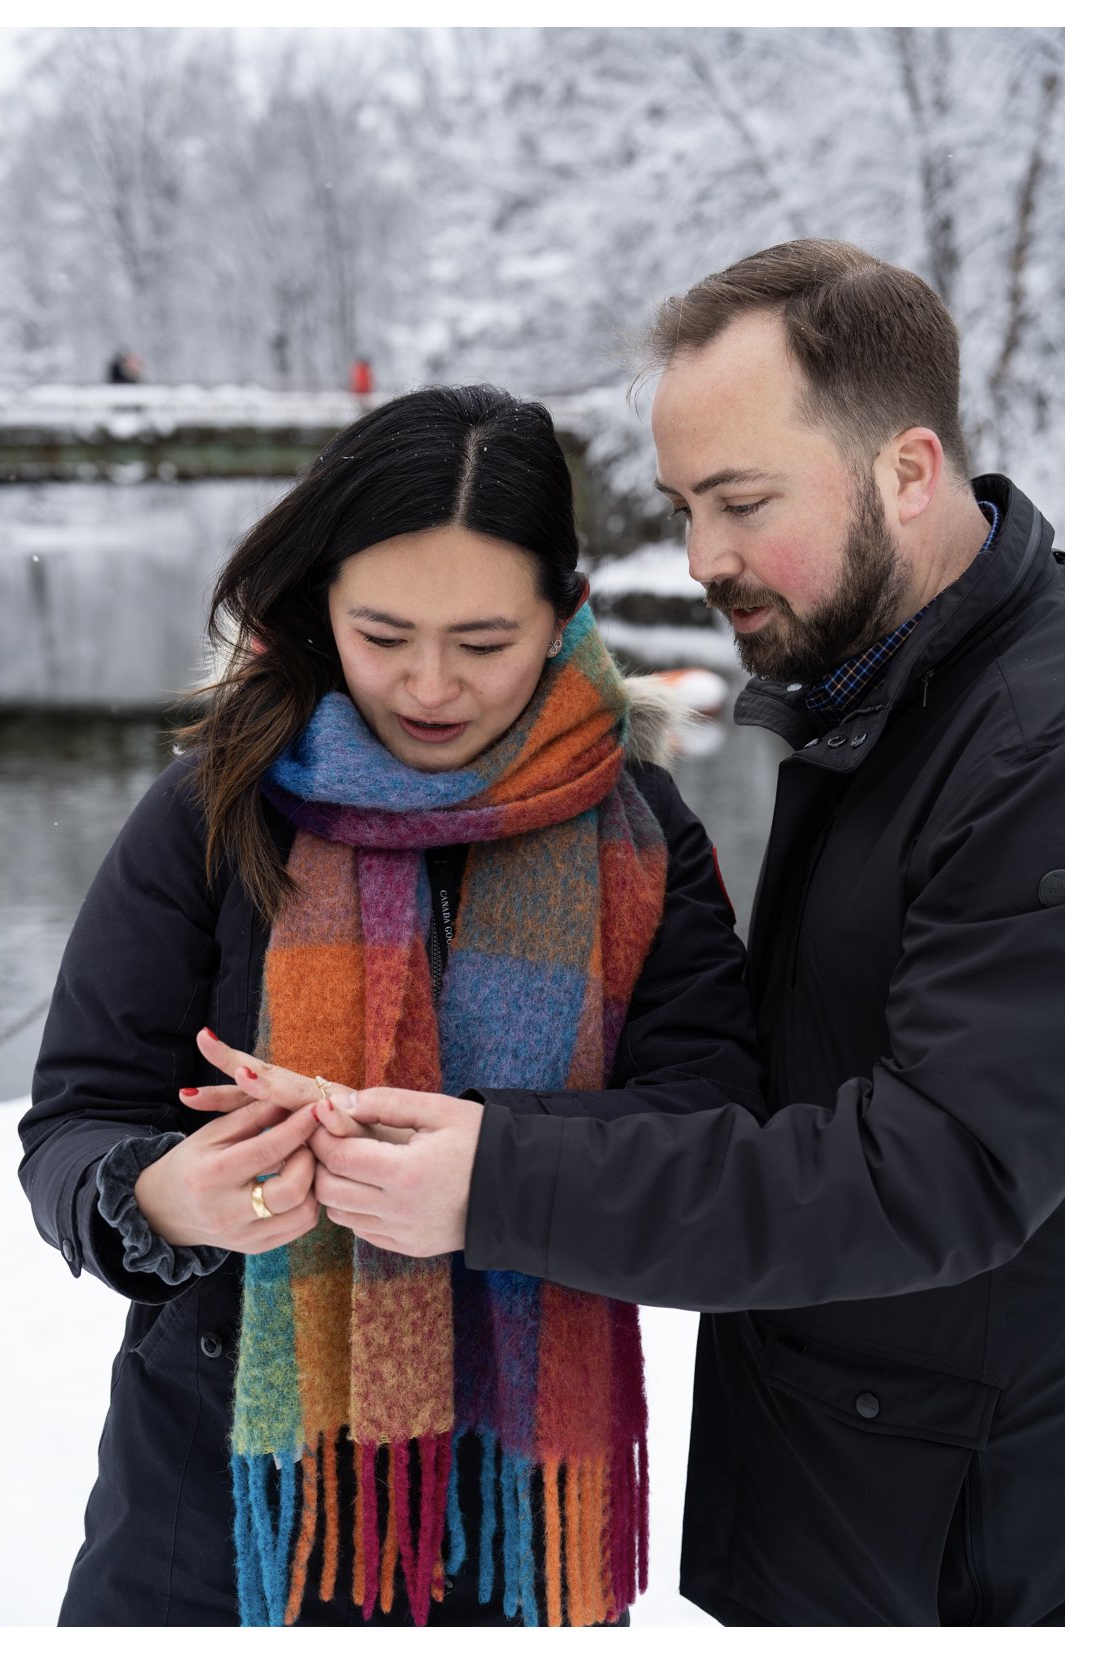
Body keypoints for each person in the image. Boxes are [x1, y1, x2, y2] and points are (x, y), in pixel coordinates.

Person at [275, 241, 1064, 1625]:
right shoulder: (878, 683)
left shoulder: (1037, 749)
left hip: (961, 1549)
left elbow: (935, 1168)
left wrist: (499, 1178)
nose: (699, 557)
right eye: (681, 504)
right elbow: (783, 1086)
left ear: (905, 469)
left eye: (740, 502)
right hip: (857, 1490)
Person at [19, 385, 765, 1626]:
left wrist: (498, 1170)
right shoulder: (214, 809)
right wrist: (160, 1195)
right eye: (381, 635)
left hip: (510, 1537)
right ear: (320, 610)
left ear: (564, 617)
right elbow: (74, 1123)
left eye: (482, 643)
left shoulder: (643, 835)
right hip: (213, 1516)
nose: (428, 686)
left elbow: (712, 1131)